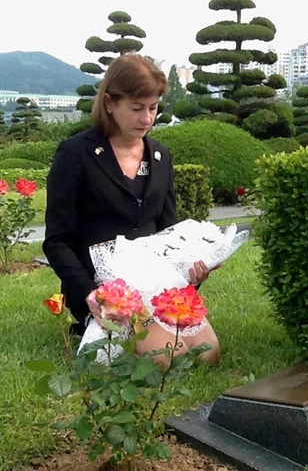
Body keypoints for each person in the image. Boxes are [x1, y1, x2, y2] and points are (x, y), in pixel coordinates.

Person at [43, 53, 220, 365]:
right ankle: (88, 324)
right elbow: (57, 240)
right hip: (105, 286)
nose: (147, 118)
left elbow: (169, 232)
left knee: (207, 353)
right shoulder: (76, 154)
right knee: (166, 358)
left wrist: (193, 268)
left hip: (155, 279)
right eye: (137, 109)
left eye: (153, 108)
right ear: (110, 103)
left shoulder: (160, 156)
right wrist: (88, 293)